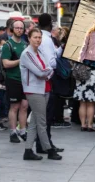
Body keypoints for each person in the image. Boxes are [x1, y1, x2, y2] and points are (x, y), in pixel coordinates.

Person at [20, 28, 62, 161]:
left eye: (39, 37)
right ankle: (49, 149)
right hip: (34, 91)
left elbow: (48, 70)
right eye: (35, 37)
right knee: (42, 122)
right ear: (29, 38)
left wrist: (46, 72)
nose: (38, 39)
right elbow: (41, 72)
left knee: (34, 122)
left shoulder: (39, 52)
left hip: (44, 89)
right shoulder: (27, 53)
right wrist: (47, 72)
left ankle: (28, 151)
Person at [36, 13, 64, 154]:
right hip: (47, 78)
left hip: (41, 79)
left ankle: (45, 143)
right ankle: (45, 144)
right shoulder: (46, 39)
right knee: (46, 115)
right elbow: (51, 62)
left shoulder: (41, 37)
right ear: (51, 23)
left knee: (44, 114)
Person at [1, 20, 28, 143]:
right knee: (14, 107)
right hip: (13, 79)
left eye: (21, 28)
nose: (19, 30)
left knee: (24, 106)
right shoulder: (8, 45)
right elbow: (5, 64)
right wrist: (20, 60)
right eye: (17, 28)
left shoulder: (25, 44)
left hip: (24, 79)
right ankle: (12, 132)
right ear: (12, 29)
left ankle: (22, 131)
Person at [73, 66, 95, 131]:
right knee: (91, 104)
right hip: (92, 75)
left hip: (80, 75)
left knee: (82, 103)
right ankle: (90, 125)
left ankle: (83, 125)